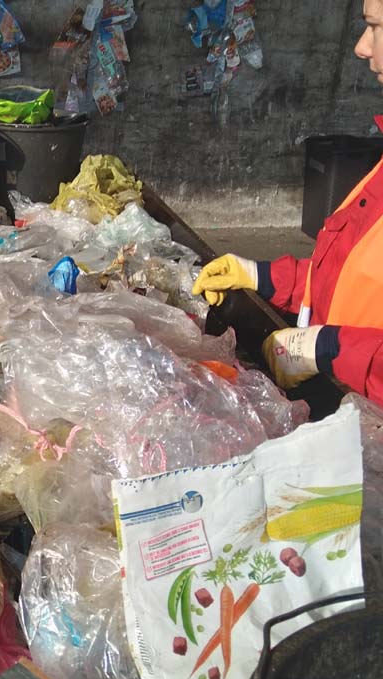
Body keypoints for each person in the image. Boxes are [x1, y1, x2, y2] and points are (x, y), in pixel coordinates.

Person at [192, 0, 383, 405]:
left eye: (376, 27)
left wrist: (328, 348)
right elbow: (353, 282)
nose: (362, 48)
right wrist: (264, 277)